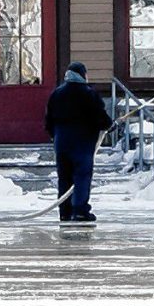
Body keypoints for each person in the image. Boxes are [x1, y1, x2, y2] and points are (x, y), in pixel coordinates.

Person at [43, 61, 113, 223]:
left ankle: (65, 211)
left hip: (61, 141)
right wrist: (110, 125)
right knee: (82, 175)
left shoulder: (57, 94)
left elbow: (48, 120)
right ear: (82, 75)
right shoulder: (89, 94)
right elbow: (100, 116)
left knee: (65, 177)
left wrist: (54, 135)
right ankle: (80, 210)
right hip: (82, 142)